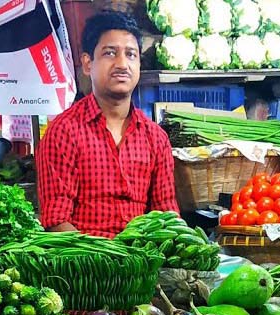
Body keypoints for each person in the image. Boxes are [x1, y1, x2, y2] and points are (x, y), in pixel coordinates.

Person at [36, 11, 178, 237]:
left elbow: (166, 216)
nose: (122, 64)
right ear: (87, 63)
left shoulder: (156, 138)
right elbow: (56, 221)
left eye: (131, 54)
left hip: (142, 260)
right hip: (85, 263)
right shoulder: (64, 132)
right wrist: (109, 260)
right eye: (110, 53)